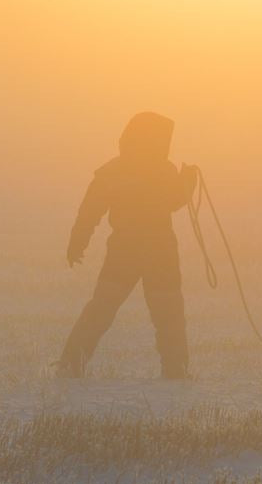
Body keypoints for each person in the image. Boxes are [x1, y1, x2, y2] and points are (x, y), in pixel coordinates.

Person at [56, 112, 198, 379]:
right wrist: (187, 185)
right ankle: (176, 371)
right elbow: (172, 201)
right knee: (169, 315)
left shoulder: (112, 171)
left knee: (101, 310)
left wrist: (77, 243)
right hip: (159, 251)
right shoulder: (162, 170)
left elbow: (89, 212)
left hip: (126, 251)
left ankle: (70, 365)